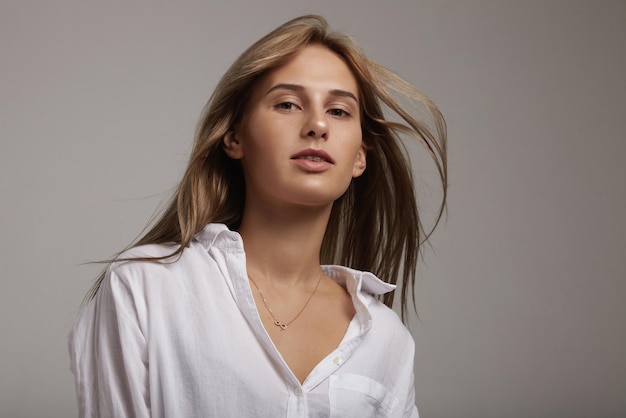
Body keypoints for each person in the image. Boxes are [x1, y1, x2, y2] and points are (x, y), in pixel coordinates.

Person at [69, 14, 447, 418]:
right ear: (235, 138)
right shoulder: (145, 289)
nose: (317, 124)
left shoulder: (387, 340)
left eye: (338, 111)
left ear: (359, 157)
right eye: (287, 104)